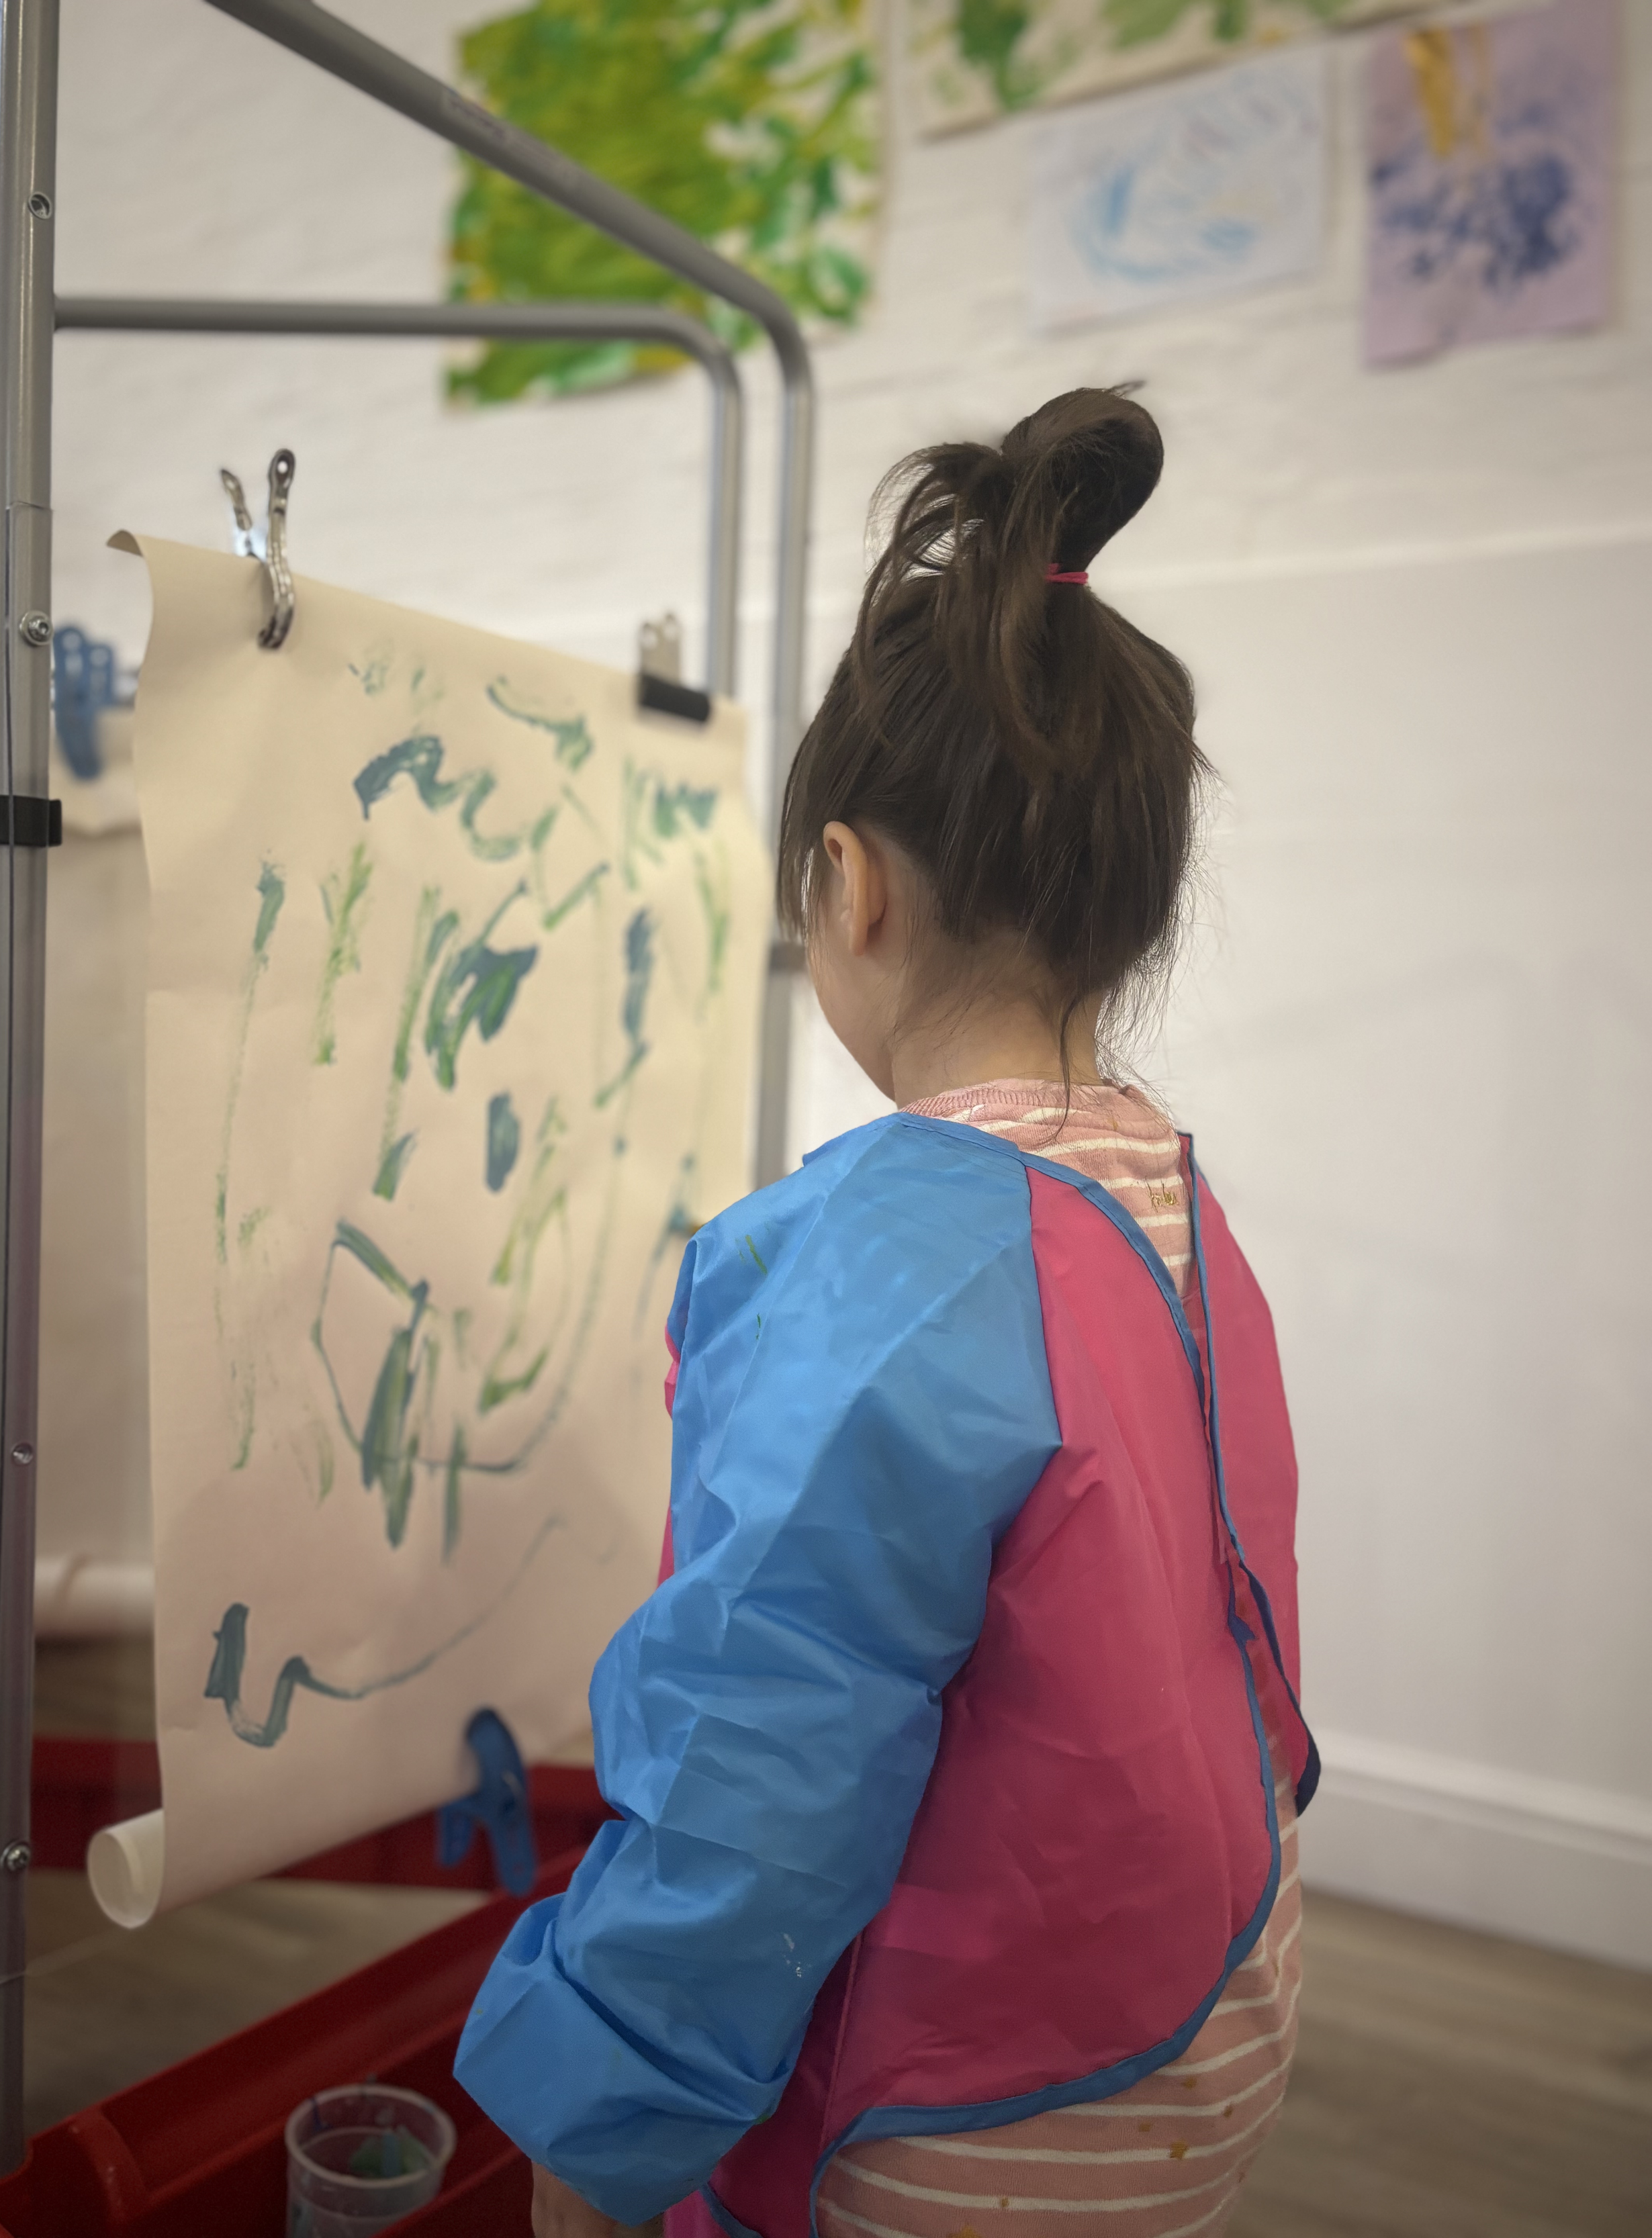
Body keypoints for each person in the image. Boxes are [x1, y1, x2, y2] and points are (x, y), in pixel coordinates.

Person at [455, 387, 1316, 2238]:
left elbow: (750, 1773)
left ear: (842, 885)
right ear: (1131, 904)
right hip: (1210, 2021)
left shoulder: (877, 1264)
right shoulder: (1174, 1203)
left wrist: (586, 2125)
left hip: (975, 2114)